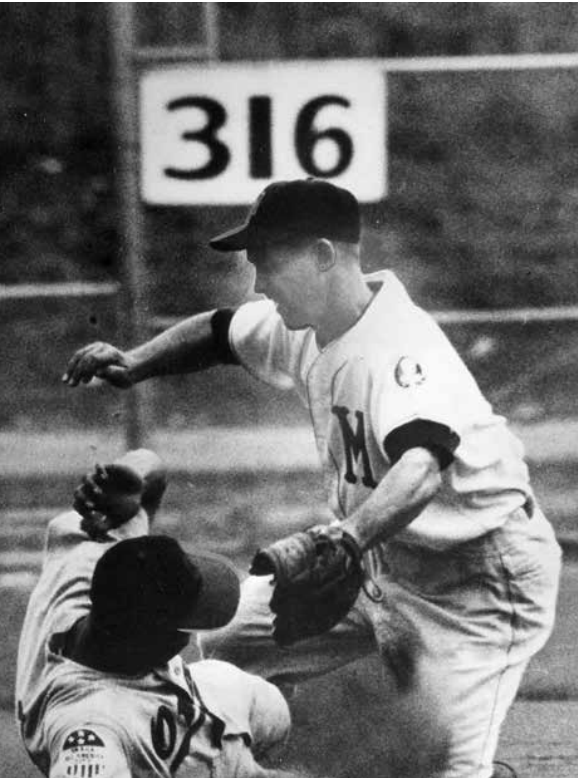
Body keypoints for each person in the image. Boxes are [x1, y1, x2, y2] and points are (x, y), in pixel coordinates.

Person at [62, 178, 562, 778]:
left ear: (324, 256)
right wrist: (136, 361)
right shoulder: (304, 323)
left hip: (476, 583)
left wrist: (345, 540)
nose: (259, 283)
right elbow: (220, 332)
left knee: (442, 766)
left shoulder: (402, 349)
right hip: (378, 559)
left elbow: (423, 465)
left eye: (268, 262)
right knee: (218, 640)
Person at [15, 448, 302, 778]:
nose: (189, 638)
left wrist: (130, 478)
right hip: (195, 761)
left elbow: (152, 466)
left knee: (272, 708)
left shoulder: (84, 564)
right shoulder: (90, 732)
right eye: (184, 629)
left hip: (200, 694)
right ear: (151, 642)